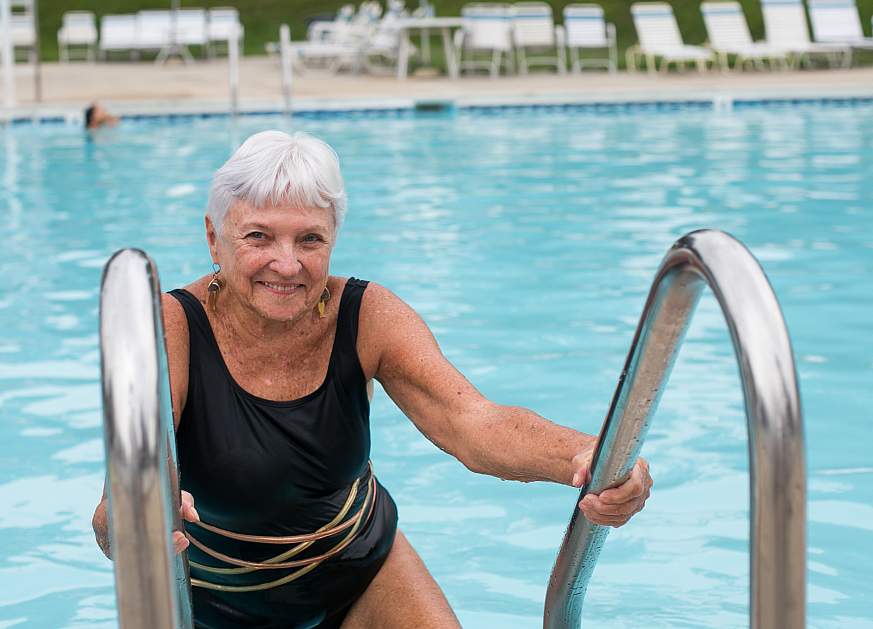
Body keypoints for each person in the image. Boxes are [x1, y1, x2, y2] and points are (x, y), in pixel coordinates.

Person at [91, 130, 653, 628]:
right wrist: (128, 525)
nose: (286, 264)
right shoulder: (171, 328)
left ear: (333, 239)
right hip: (211, 602)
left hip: (360, 573)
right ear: (214, 239)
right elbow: (126, 502)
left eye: (309, 239)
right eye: (258, 237)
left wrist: (592, 458)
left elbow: (472, 423)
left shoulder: (367, 315)